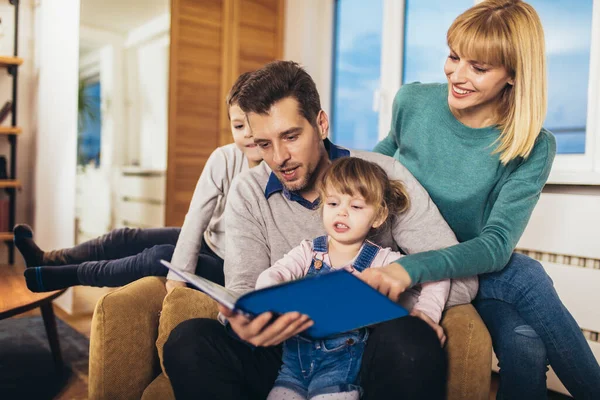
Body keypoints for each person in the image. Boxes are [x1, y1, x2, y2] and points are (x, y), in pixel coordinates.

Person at [163, 60, 478, 400]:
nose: (279, 157)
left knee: (414, 339)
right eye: (264, 144)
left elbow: (462, 278)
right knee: (188, 341)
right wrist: (245, 319)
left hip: (364, 350)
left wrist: (382, 297)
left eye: (291, 136)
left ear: (321, 124)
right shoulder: (247, 191)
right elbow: (246, 287)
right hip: (285, 353)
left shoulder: (383, 176)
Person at [373, 0, 600, 398]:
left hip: (472, 265)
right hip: (402, 250)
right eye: (453, 56)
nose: (457, 76)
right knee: (527, 296)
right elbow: (371, 173)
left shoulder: (533, 145)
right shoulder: (412, 103)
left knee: (523, 336)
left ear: (513, 75)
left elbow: (495, 247)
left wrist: (414, 269)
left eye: (478, 68)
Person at [14, 71, 262, 293]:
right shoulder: (225, 157)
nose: (248, 134)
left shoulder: (278, 172)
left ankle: (63, 276)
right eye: (239, 126)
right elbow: (196, 217)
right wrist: (182, 265)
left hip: (228, 265)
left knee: (159, 257)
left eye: (255, 124)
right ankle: (47, 259)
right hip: (209, 241)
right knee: (124, 237)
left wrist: (178, 273)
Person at [257, 157, 450, 400]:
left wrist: (427, 313)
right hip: (292, 372)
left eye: (356, 207)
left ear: (378, 217)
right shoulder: (308, 252)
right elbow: (273, 274)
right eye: (333, 203)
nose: (342, 212)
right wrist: (268, 299)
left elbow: (438, 271)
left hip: (339, 377)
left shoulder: (382, 261)